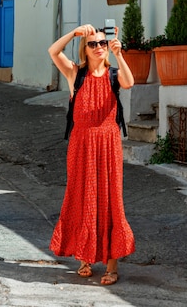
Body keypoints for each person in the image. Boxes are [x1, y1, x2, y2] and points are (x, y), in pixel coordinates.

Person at [47, 24, 136, 285]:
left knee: (109, 200)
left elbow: (130, 83)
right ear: (84, 49)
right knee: (82, 197)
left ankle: (112, 266)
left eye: (102, 43)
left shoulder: (113, 74)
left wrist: (120, 54)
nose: (98, 47)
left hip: (108, 144)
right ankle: (84, 258)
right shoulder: (76, 74)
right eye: (92, 44)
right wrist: (74, 33)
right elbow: (53, 51)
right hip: (81, 143)